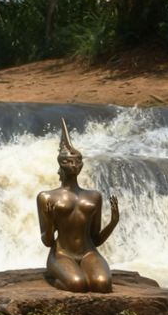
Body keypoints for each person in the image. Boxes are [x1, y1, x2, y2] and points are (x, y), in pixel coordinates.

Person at [37, 119, 119, 292]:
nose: (73, 164)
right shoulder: (46, 197)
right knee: (78, 284)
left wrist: (113, 222)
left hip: (89, 253)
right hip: (61, 254)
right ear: (60, 163)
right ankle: (56, 278)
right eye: (68, 161)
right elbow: (47, 241)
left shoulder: (94, 197)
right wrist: (50, 222)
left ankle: (80, 273)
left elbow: (95, 239)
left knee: (102, 285)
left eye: (78, 160)